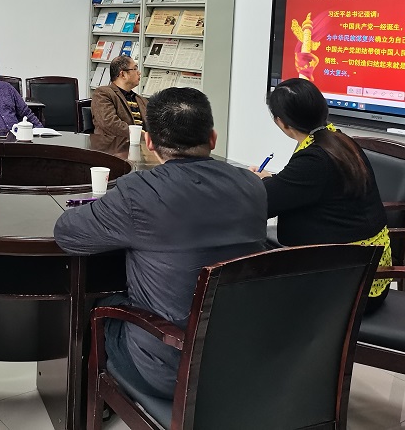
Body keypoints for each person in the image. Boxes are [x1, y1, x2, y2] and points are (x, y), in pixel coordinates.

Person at [54, 87, 267, 400]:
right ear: (213, 139)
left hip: (170, 371)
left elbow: (67, 234)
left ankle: (91, 404)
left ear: (149, 142)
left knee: (98, 304)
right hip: (243, 360)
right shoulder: (253, 186)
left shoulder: (139, 192)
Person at [251, 77, 391, 311]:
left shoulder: (315, 159)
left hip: (351, 286)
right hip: (364, 268)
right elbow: (300, 187)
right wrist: (271, 180)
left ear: (281, 122)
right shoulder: (337, 139)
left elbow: (265, 202)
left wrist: (255, 182)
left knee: (250, 276)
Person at [91, 55, 147, 139]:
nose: (139, 73)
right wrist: (141, 135)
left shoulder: (141, 100)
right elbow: (109, 123)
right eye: (135, 69)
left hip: (141, 144)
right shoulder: (102, 93)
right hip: (113, 145)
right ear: (123, 74)